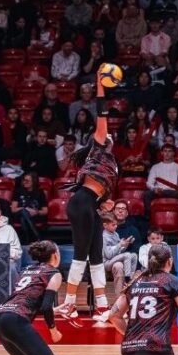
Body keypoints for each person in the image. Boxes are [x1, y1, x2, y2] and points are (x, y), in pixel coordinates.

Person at [62, 65, 121, 311]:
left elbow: (102, 197)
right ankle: (68, 303)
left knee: (96, 254)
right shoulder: (99, 146)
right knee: (81, 253)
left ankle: (101, 304)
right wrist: (100, 83)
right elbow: (102, 111)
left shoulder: (111, 162)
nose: (111, 136)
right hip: (80, 202)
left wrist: (106, 203)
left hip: (90, 205)